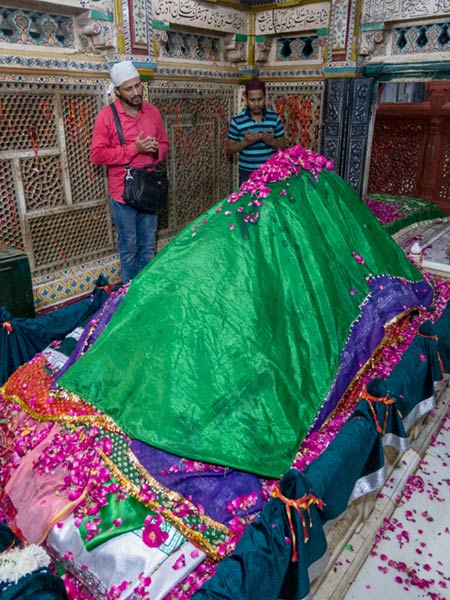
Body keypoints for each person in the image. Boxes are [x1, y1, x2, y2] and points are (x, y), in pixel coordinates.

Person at [91, 61, 169, 283]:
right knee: (129, 249)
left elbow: (164, 143)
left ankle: (144, 295)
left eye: (138, 86)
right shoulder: (107, 116)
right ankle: (129, 298)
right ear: (117, 91)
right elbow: (97, 155)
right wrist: (135, 149)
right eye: (129, 88)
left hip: (150, 190)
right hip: (123, 194)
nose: (136, 92)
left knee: (148, 247)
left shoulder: (152, 112)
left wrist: (156, 150)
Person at [227, 78, 287, 186]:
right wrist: (245, 142)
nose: (256, 104)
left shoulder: (274, 118)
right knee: (247, 202)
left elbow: (284, 147)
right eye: (252, 100)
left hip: (270, 173)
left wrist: (272, 142)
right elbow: (230, 149)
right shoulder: (237, 120)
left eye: (260, 99)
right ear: (245, 98)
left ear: (265, 97)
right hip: (247, 174)